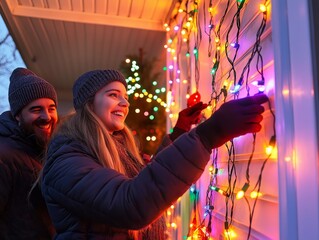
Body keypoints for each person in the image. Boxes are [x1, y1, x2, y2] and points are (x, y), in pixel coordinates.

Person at [40, 69, 268, 239]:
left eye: (125, 97)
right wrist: (209, 134)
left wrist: (180, 132)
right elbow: (131, 203)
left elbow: (146, 178)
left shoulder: (115, 146)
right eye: (113, 95)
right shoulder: (66, 160)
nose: (124, 102)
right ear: (89, 104)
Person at [0, 67, 58, 239]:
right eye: (36, 109)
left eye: (51, 108)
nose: (46, 116)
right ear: (18, 115)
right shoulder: (4, 155)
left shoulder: (44, 149)